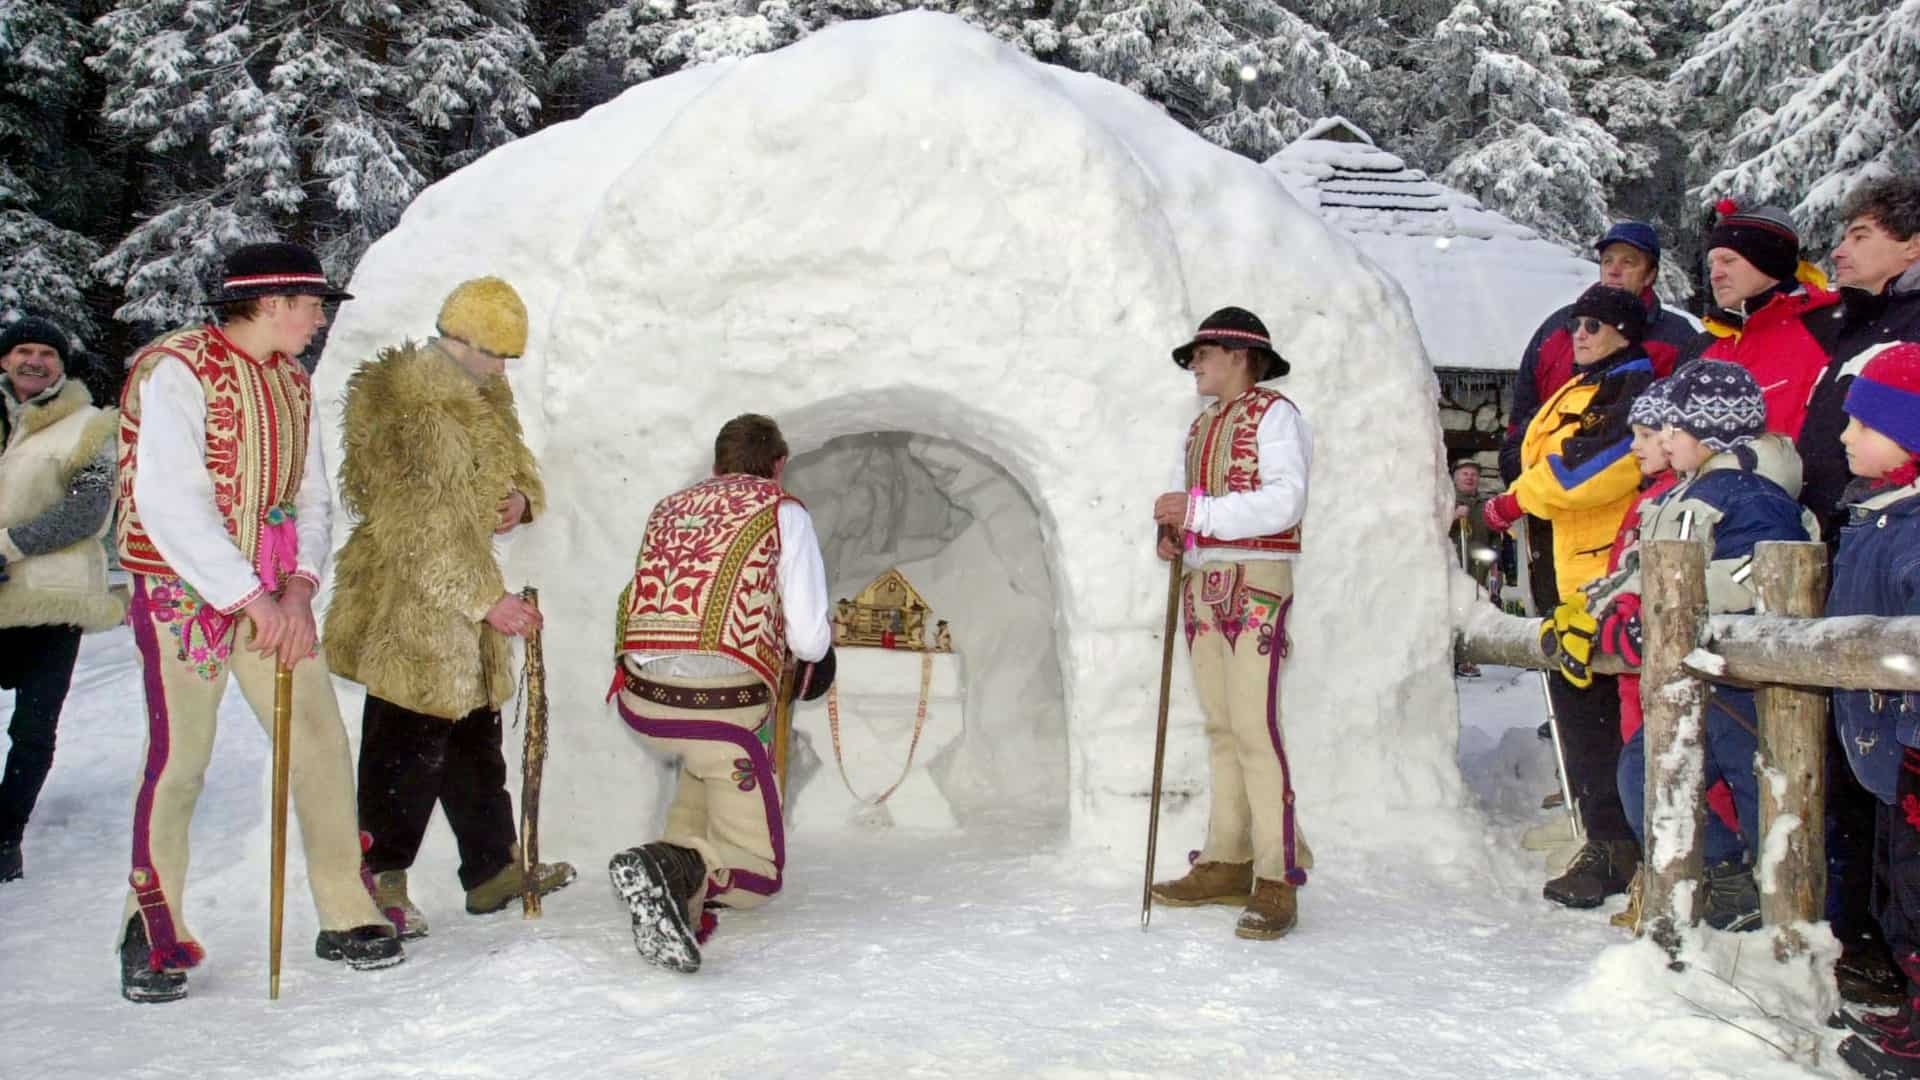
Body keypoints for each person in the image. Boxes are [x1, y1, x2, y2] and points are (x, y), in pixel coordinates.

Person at [113, 242, 402, 1002]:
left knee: (317, 740)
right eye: (312, 306)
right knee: (182, 757)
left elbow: (310, 495)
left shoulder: (292, 383)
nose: (317, 321)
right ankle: (151, 925)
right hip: (187, 595)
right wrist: (250, 598)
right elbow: (169, 502)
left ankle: (345, 906)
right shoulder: (174, 369)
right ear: (271, 303)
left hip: (274, 599)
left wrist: (302, 588)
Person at [325, 277, 576, 940]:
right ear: (457, 340)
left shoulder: (482, 394)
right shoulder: (413, 403)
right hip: (412, 607)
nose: (501, 369)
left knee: (472, 748)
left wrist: (520, 499)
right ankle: (378, 882)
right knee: (401, 753)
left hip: (461, 607)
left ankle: (491, 869)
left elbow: (508, 472)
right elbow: (418, 526)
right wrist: (486, 601)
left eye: (507, 358)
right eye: (494, 354)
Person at [1584, 362, 1815, 932]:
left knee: (1762, 787)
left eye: (1673, 431)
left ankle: (1775, 903)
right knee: (1646, 772)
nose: (1662, 441)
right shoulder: (1690, 492)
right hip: (1695, 672)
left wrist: (1666, 616)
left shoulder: (1747, 495)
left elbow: (1755, 572)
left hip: (1736, 676)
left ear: (1707, 436)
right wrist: (1598, 610)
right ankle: (1730, 874)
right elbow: (1649, 568)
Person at [608, 413, 835, 973]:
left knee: (700, 761)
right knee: (758, 872)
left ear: (717, 464)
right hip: (720, 709)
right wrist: (819, 657)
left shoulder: (671, 505)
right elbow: (808, 636)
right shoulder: (782, 511)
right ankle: (683, 867)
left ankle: (671, 874)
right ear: (779, 465)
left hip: (641, 699)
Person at [1481, 284, 1656, 908]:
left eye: (1593, 325)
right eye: (1574, 324)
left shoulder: (1629, 388)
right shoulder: (1584, 384)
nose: (1578, 334)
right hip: (1560, 566)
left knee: (1603, 714)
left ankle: (1618, 845)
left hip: (1599, 571)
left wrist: (1517, 499)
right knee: (1579, 710)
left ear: (1624, 333)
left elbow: (1593, 468)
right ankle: (1599, 830)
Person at [1146, 306, 1313, 941]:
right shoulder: (1200, 427)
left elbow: (1284, 500)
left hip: (1258, 578)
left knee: (1255, 726)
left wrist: (1199, 513)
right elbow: (1192, 505)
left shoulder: (1277, 416)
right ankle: (1227, 857)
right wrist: (1177, 537)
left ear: (1241, 356)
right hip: (1206, 581)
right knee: (1221, 725)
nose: (1196, 364)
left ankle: (1277, 874)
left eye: (1204, 353)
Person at [1500, 222, 1694, 614]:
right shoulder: (1559, 328)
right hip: (1545, 517)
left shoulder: (1677, 338)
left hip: (1614, 516)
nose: (1616, 270)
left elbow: (1617, 449)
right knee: (1557, 631)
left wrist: (1522, 495)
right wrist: (1515, 466)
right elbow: (1527, 408)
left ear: (1651, 272)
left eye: (1629, 261)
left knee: (1597, 636)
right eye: (1607, 261)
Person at [1821, 343, 1920, 1080]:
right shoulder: (1872, 516)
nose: (1845, 437)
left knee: (1916, 899)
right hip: (1886, 750)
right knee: (1898, 895)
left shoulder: (1911, 530)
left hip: (1911, 750)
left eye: (1863, 424)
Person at [0, 316, 126, 883]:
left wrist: (8, 545)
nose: (34, 361)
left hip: (53, 600)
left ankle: (6, 834)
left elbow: (89, 510)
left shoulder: (91, 427)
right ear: (4, 361)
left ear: (61, 365)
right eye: (22, 350)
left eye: (46, 353)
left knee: (32, 727)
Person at [1684, 201, 1839, 438]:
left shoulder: (1828, 328)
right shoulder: (1703, 345)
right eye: (1711, 264)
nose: (1715, 274)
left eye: (1728, 261)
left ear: (1769, 260)